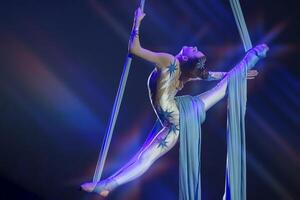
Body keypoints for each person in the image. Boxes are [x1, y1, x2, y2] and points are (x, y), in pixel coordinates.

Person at [80, 7, 269, 197]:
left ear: (186, 57)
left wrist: (137, 22)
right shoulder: (183, 73)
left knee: (145, 158)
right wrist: (236, 75)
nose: (194, 47)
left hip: (179, 113)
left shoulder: (168, 61)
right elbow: (211, 76)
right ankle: (107, 186)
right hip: (175, 122)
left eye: (194, 51)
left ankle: (251, 57)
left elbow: (134, 49)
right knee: (145, 158)